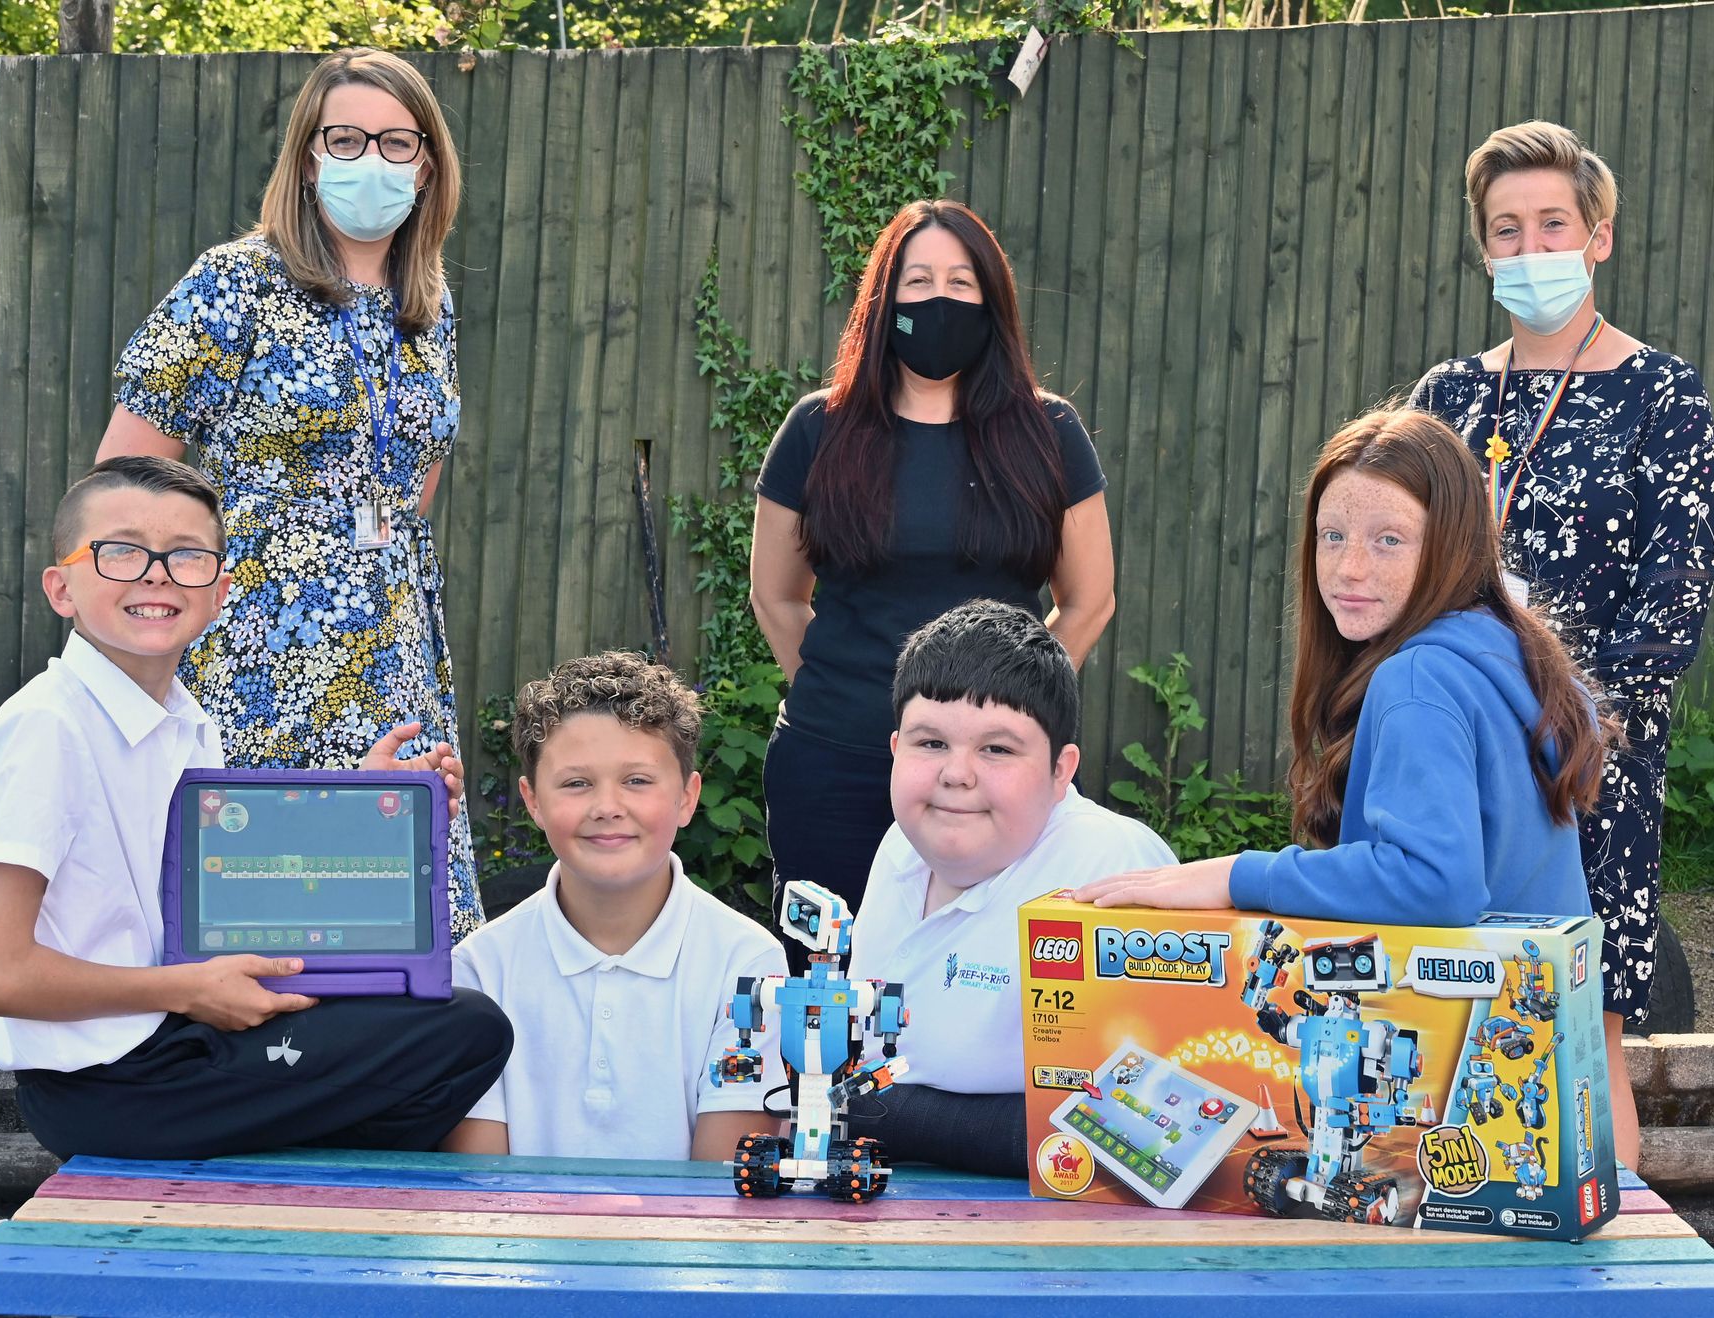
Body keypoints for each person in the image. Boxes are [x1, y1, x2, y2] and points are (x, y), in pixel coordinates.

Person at [0, 457, 512, 1161]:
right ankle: (273, 1201)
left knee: (447, 1019)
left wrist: (367, 805)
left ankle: (268, 1190)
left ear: (220, 592)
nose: (155, 573)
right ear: (61, 588)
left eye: (186, 556)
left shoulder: (183, 721)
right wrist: (190, 990)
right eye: (121, 552)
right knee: (465, 1033)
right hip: (114, 1088)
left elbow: (224, 884)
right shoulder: (48, 729)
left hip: (175, 1035)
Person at [93, 49, 483, 939]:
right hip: (260, 645)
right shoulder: (236, 283)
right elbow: (123, 487)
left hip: (394, 644)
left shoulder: (429, 302)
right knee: (259, 913)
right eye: (344, 137)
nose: (369, 158)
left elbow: (412, 479)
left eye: (395, 141)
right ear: (309, 155)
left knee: (391, 920)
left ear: (427, 165)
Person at [1408, 121, 1714, 1166]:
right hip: (1448, 754)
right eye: (1505, 229)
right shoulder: (1444, 398)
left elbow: (1675, 583)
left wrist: (1588, 724)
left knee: (1581, 1032)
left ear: (1596, 236)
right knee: (1435, 1021)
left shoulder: (1661, 397)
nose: (1528, 245)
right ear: (1483, 249)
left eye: (1551, 223)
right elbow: (1386, 562)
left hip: (1588, 759)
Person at [1076, 410, 1614, 948]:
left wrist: (1238, 876)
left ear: (1452, 544)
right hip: (1538, 1020)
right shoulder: (1505, 650)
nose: (1348, 567)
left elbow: (1436, 884)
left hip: (1466, 1024)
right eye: (1332, 535)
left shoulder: (1417, 679)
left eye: (1389, 540)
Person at [750, 199, 1116, 938]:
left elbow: (1089, 601)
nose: (939, 300)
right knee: (829, 987)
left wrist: (1017, 710)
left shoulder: (1047, 434)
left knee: (995, 979)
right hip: (834, 764)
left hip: (992, 774)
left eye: (961, 282)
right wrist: (847, 698)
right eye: (918, 282)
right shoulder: (819, 430)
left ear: (992, 302)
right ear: (884, 303)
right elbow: (777, 598)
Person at [845, 600, 1174, 1176]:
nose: (957, 773)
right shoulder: (899, 844)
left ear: (1061, 770)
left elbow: (1150, 1129)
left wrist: (887, 1116)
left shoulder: (1112, 867)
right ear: (895, 750)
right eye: (931, 743)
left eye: (997, 749)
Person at [441, 652, 789, 1160]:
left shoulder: (747, 964)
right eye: (577, 783)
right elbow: (482, 1184)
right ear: (533, 800)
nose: (607, 806)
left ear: (688, 797)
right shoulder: (479, 969)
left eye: (638, 780)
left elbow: (723, 1185)